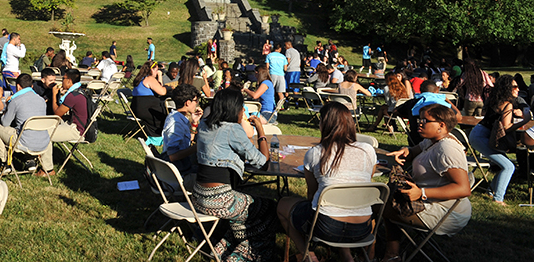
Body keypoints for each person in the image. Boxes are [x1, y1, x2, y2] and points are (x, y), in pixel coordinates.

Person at [277, 102, 376, 262]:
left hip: (327, 228)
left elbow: (312, 195)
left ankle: (307, 255)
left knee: (283, 204)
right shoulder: (368, 150)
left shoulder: (315, 153)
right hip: (363, 228)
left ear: (325, 124)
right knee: (344, 205)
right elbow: (364, 185)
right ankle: (346, 255)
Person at [191, 88, 276, 261]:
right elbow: (264, 163)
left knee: (244, 212)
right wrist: (260, 130)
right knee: (268, 208)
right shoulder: (232, 130)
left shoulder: (204, 125)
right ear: (233, 109)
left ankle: (224, 247)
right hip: (220, 200)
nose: (243, 111)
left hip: (198, 195)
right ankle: (244, 253)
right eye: (241, 107)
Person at [379, 104, 472, 260]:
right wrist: (405, 151)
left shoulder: (447, 148)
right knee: (383, 198)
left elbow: (463, 189)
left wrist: (422, 193)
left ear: (441, 125)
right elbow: (415, 150)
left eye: (425, 120)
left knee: (377, 204)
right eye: (419, 119)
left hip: (445, 212)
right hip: (430, 202)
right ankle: (391, 253)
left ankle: (383, 253)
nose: (419, 123)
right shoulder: (433, 140)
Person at [469, 75, 525, 205]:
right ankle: (498, 198)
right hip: (481, 137)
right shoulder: (507, 104)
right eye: (515, 87)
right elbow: (507, 127)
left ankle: (491, 191)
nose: (518, 89)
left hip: (478, 133)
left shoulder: (496, 99)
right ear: (507, 88)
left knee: (504, 165)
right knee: (509, 166)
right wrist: (525, 119)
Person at [0, 73, 55, 176]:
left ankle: (5, 163)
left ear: (18, 86)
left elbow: (5, 123)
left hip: (24, 143)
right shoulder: (41, 100)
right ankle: (30, 161)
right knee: (27, 130)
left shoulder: (16, 101)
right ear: (31, 86)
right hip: (43, 142)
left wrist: (7, 107)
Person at [161, 82, 201, 178]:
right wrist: (197, 147)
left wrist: (194, 122)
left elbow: (189, 139)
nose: (197, 103)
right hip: (178, 170)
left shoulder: (178, 117)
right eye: (196, 101)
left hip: (182, 164)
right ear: (188, 102)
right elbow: (173, 156)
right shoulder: (176, 123)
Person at [131, 61, 168, 137]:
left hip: (136, 108)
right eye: (156, 70)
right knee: (166, 113)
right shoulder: (150, 79)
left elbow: (159, 88)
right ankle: (161, 135)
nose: (157, 72)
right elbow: (162, 92)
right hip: (146, 110)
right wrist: (161, 77)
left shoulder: (140, 78)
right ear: (152, 70)